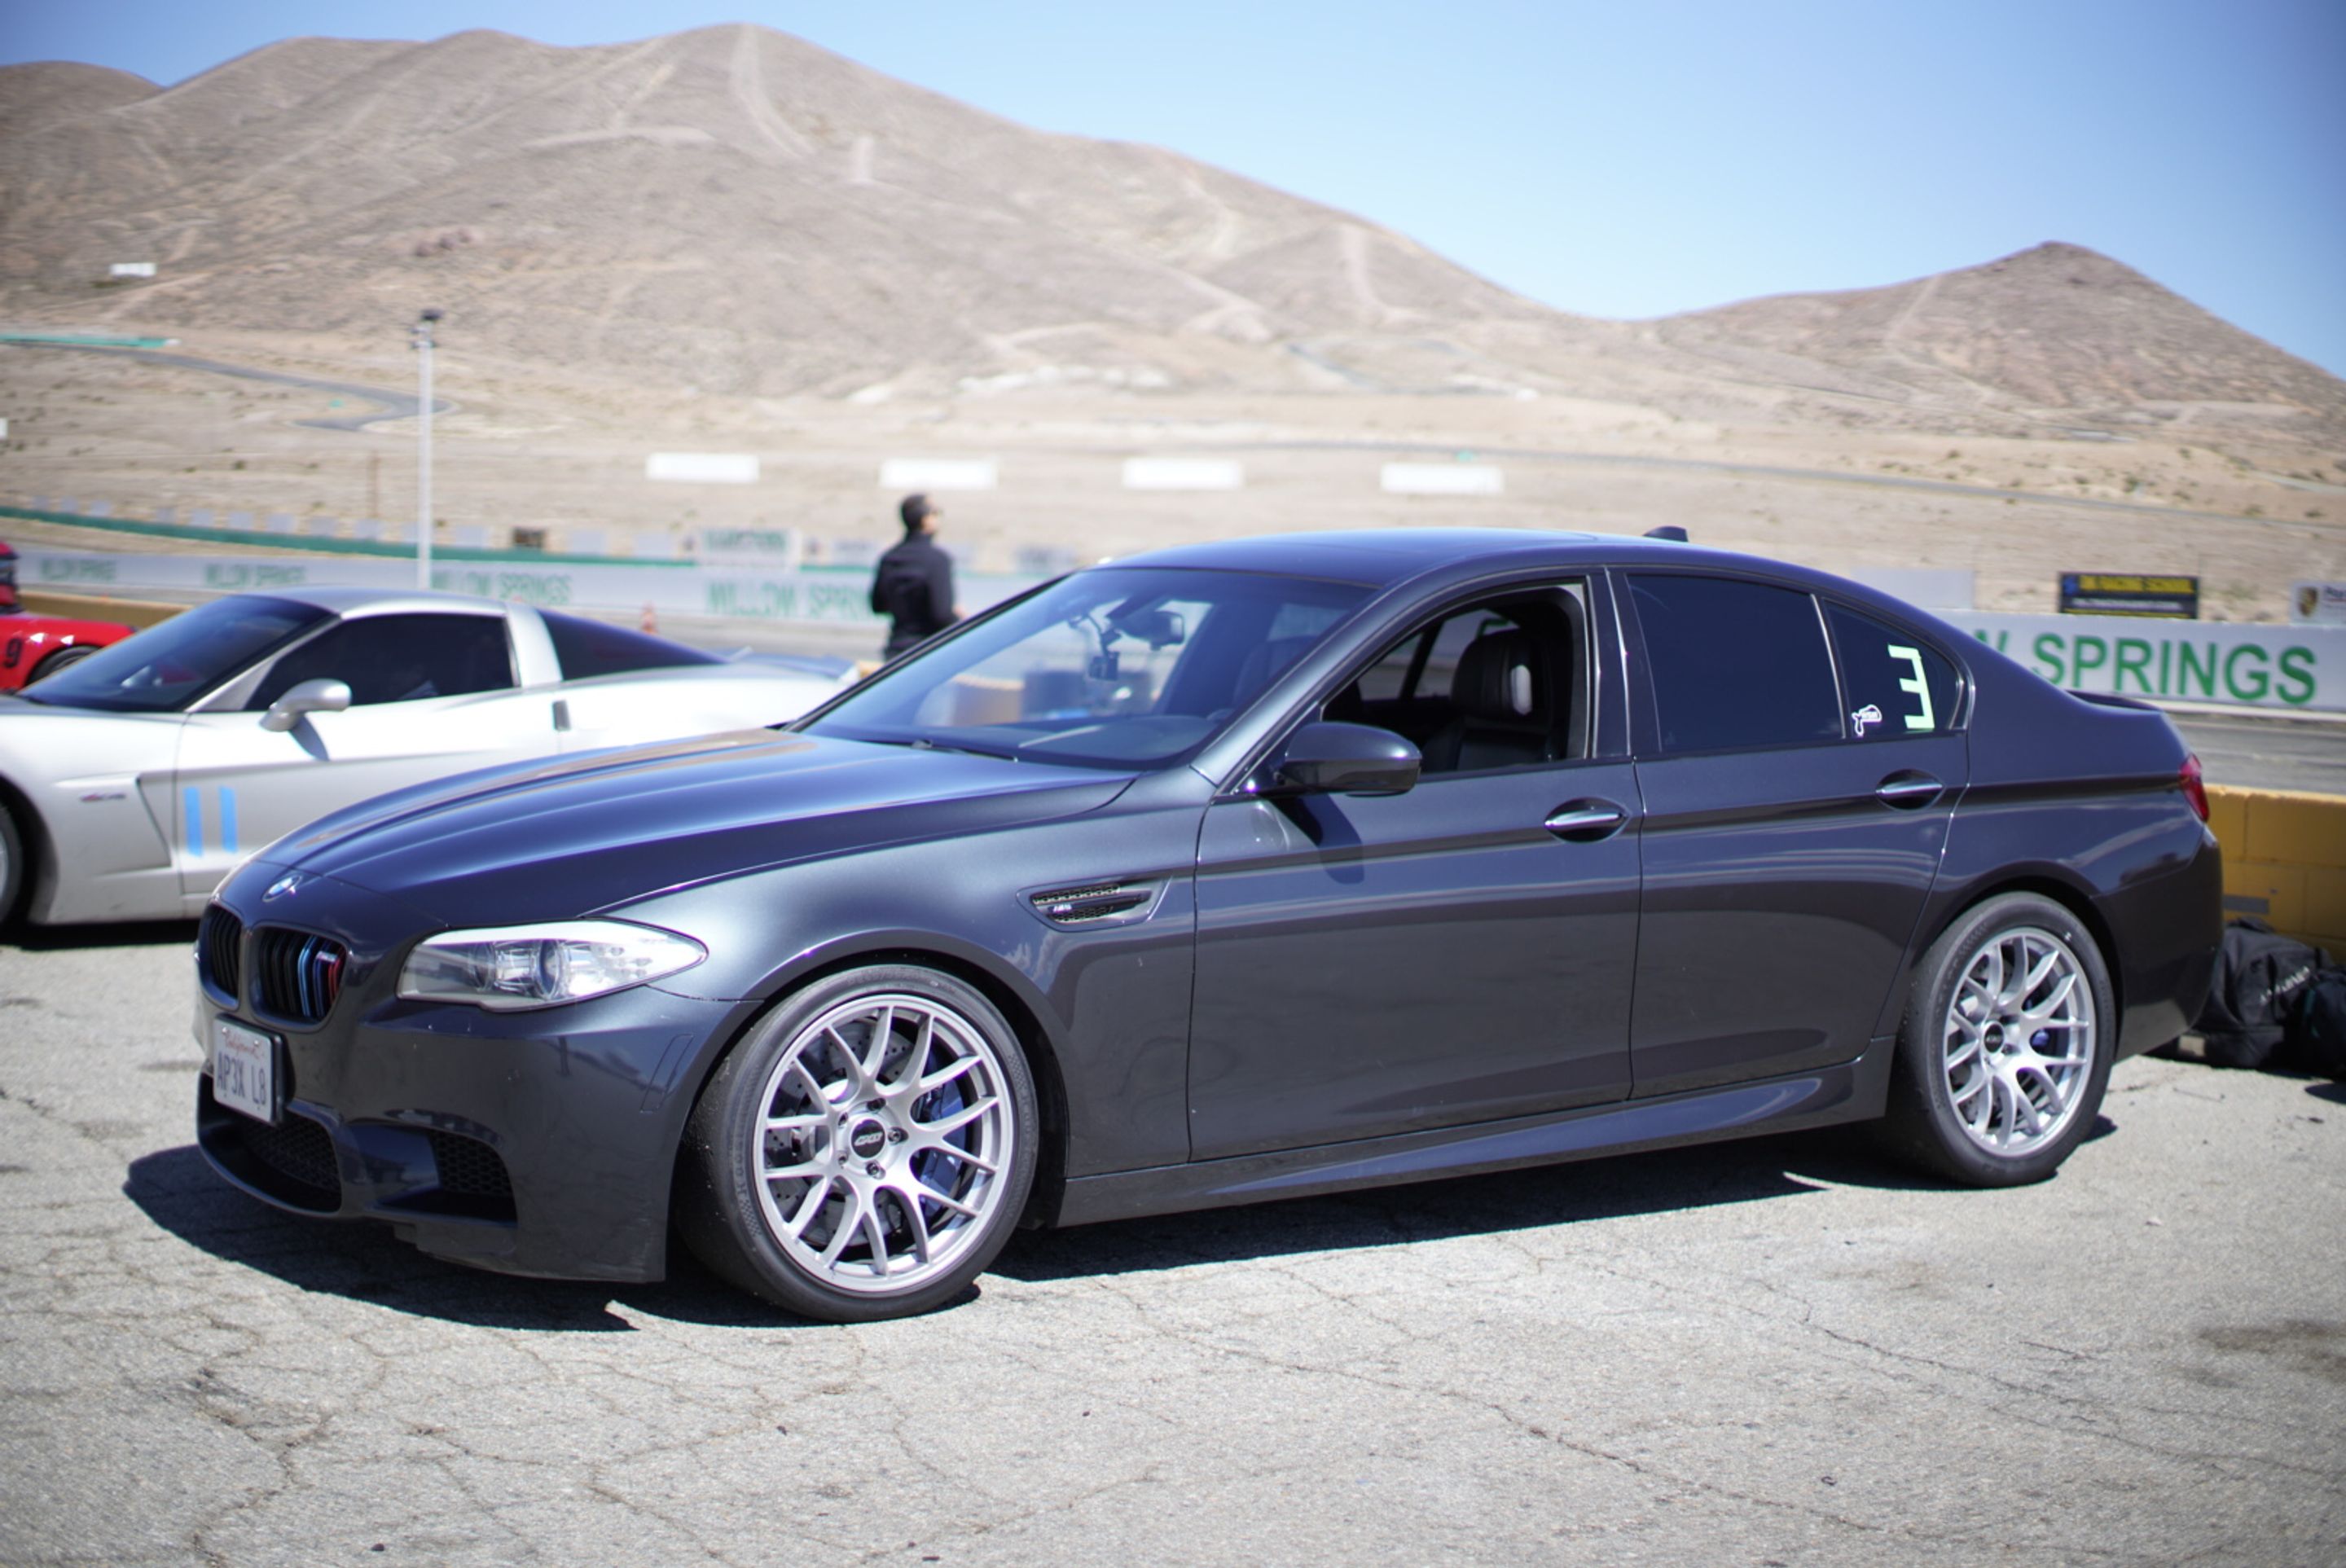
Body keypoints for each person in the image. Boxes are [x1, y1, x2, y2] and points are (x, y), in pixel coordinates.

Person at [869, 494, 959, 657]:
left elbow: (878, 605)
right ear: (926, 520)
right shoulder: (937, 560)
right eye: (936, 513)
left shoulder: (890, 557)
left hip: (896, 651)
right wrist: (959, 617)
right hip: (927, 653)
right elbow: (942, 615)